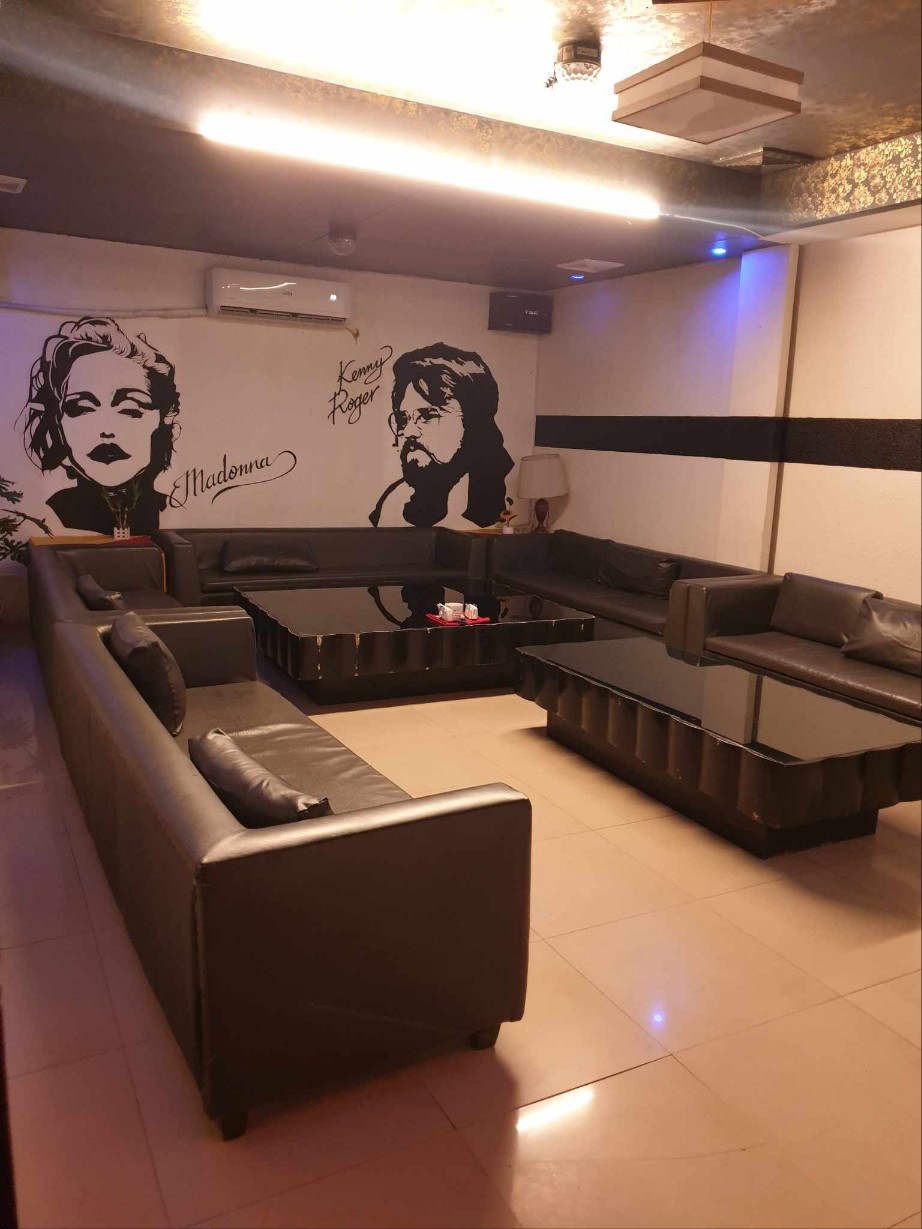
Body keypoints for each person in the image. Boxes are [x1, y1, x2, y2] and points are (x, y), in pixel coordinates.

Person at [20, 316, 180, 534]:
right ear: (58, 424)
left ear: (164, 419)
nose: (106, 430)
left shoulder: (170, 509)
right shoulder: (51, 514)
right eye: (81, 408)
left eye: (130, 409)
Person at [369, 342, 513, 528]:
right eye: (402, 419)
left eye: (427, 415)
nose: (408, 432)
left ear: (473, 421)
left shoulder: (491, 500)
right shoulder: (394, 499)